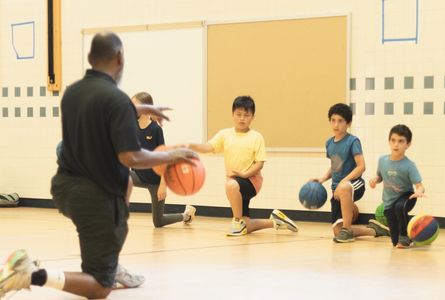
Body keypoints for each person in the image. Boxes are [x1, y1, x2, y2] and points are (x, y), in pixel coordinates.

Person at [0, 32, 197, 299]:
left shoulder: (73, 93)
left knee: (124, 193)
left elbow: (101, 108)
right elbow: (132, 158)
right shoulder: (116, 100)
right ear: (119, 58)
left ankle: (111, 265)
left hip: (64, 189)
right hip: (93, 197)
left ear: (90, 57)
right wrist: (172, 156)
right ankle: (31, 274)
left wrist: (139, 109)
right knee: (100, 287)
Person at [187, 96, 298, 236]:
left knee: (231, 186)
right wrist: (190, 146)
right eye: (238, 114)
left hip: (251, 181)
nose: (242, 118)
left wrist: (244, 174)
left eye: (246, 115)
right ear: (232, 114)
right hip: (236, 184)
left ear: (252, 117)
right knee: (247, 225)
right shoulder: (225, 134)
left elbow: (260, 163)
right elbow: (208, 147)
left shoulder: (256, 137)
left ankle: (237, 222)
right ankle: (276, 221)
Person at [311, 103, 388, 243]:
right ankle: (375, 230)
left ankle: (347, 228)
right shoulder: (329, 143)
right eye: (333, 120)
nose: (336, 124)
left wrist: (344, 181)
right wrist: (322, 179)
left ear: (348, 123)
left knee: (345, 188)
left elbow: (361, 167)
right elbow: (335, 167)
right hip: (337, 190)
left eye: (340, 121)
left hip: (354, 184)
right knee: (337, 232)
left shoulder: (352, 141)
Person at [130, 92, 196, 228]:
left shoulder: (155, 129)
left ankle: (186, 215)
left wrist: (163, 185)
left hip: (155, 180)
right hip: (138, 175)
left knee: (158, 222)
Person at [368, 124, 425, 248]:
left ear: (408, 144)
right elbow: (379, 177)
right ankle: (414, 229)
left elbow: (420, 186)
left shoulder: (409, 165)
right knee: (395, 241)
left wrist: (419, 191)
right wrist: (374, 180)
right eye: (393, 140)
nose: (396, 144)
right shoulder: (382, 160)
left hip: (407, 197)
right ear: (389, 141)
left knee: (399, 207)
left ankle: (405, 238)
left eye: (400, 141)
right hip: (389, 202)